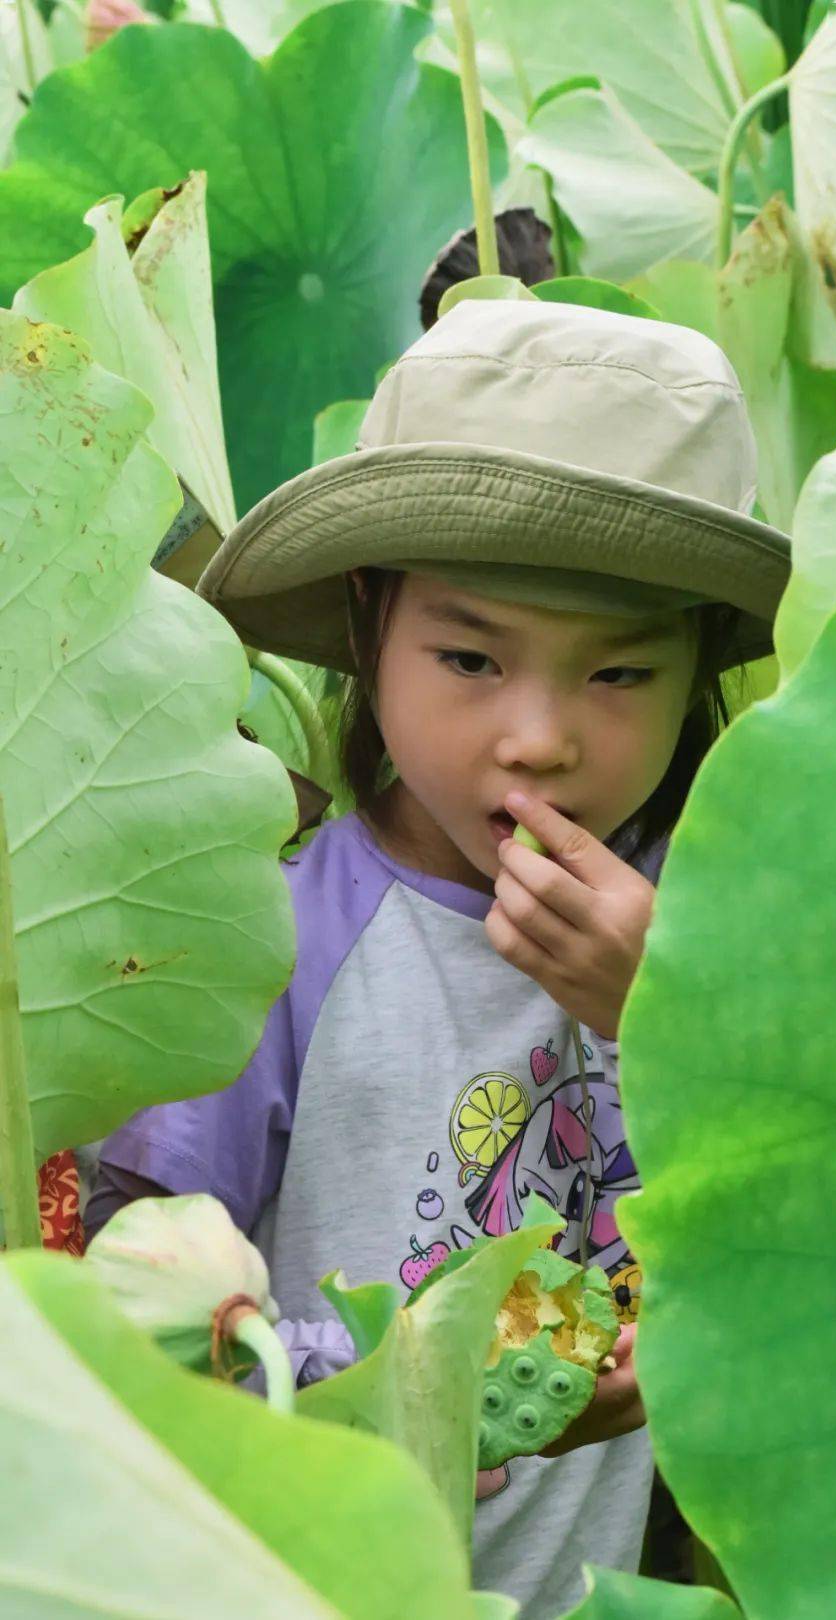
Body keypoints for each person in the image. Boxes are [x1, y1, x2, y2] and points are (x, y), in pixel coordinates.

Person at [86, 297, 789, 1619]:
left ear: (698, 663)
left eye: (621, 675)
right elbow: (149, 1313)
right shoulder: (275, 939)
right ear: (367, 626)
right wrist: (433, 1399)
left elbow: (823, 1244)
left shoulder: (733, 927)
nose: (539, 739)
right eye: (471, 657)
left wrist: (671, 1017)